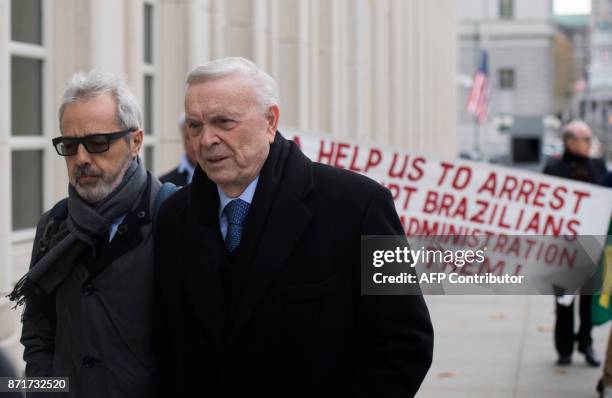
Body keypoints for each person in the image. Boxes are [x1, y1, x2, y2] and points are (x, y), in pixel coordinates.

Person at [154, 57, 434, 397]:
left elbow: (406, 344)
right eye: (195, 126)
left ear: (271, 121)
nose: (206, 139)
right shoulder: (172, 218)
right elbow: (165, 350)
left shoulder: (362, 205)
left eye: (223, 122)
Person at [8, 70, 161, 397]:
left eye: (96, 143)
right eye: (70, 145)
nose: (81, 158)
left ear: (135, 142)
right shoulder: (53, 225)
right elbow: (38, 336)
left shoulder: (172, 214)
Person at [543, 120, 607, 367]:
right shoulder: (553, 168)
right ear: (570, 141)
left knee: (589, 301)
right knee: (563, 302)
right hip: (563, 249)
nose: (590, 143)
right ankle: (564, 348)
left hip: (593, 245)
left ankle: (586, 343)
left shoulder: (599, 166)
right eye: (586, 139)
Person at [159, 113, 197, 185]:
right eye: (188, 138)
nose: (194, 144)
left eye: (197, 136)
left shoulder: (221, 179)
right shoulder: (164, 183)